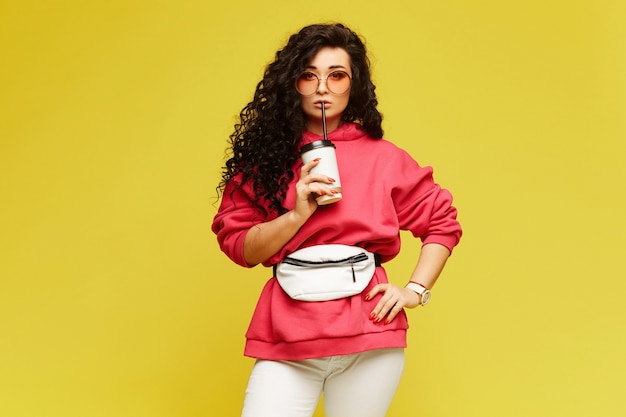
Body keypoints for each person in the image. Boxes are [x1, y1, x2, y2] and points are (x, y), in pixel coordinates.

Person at [212, 23, 462, 417]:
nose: (323, 87)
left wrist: (415, 290)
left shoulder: (384, 157)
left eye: (337, 75)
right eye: (309, 75)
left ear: (354, 84)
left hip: (370, 337)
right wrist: (297, 214)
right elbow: (241, 248)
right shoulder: (265, 160)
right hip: (288, 336)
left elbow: (442, 223)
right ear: (292, 83)